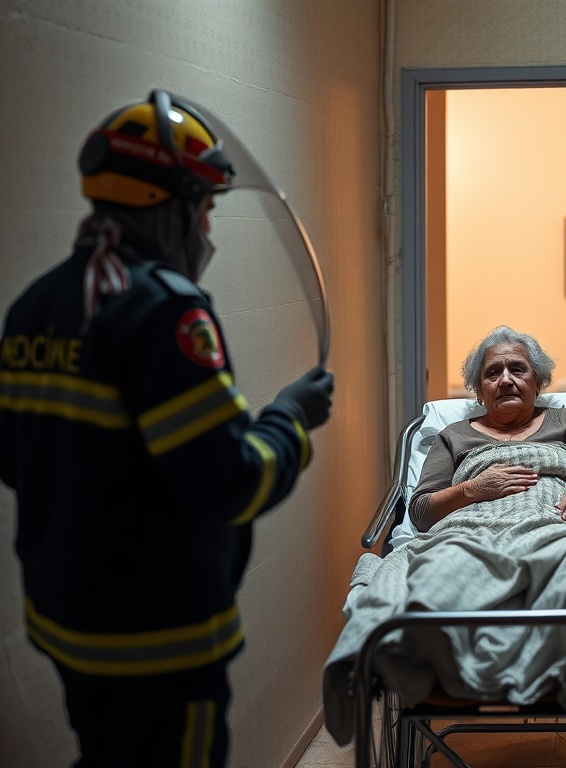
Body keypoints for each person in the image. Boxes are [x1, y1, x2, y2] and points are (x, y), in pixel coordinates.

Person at [0, 90, 334, 767]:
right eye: (206, 209)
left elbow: (18, 461)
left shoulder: (37, 304)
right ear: (169, 204)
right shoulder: (166, 313)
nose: (208, 232)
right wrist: (290, 417)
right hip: (157, 635)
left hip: (67, 621)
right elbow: (234, 483)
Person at [409, 325, 566, 531]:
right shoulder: (453, 436)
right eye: (493, 373)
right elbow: (421, 513)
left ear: (537, 383)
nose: (506, 380)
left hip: (559, 532)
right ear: (479, 392)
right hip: (472, 535)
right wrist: (472, 489)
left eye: (518, 369)